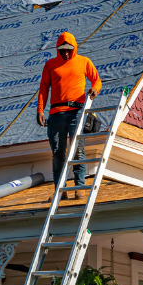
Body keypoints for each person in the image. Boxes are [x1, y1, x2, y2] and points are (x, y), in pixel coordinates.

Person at [37, 32, 101, 200]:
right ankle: (60, 190)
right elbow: (44, 88)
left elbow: (97, 80)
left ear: (74, 48)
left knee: (77, 150)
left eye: (68, 50)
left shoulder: (83, 62)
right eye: (62, 50)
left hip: (76, 111)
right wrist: (40, 110)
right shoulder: (50, 65)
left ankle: (79, 187)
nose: (65, 53)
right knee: (58, 152)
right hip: (56, 114)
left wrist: (94, 90)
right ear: (58, 50)